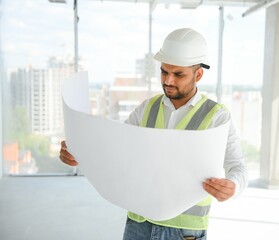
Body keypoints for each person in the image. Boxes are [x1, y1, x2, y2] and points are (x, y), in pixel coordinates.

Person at [60, 28, 248, 240]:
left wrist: (233, 186)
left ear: (198, 74)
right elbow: (115, 150)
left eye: (178, 74)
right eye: (164, 71)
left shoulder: (217, 116)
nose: (168, 80)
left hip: (184, 232)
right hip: (138, 224)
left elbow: (237, 165)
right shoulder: (146, 108)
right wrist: (80, 153)